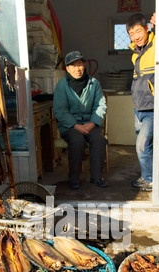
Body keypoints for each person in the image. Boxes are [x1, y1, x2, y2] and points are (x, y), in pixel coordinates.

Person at [53, 51, 108, 189]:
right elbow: (60, 110)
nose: (77, 69)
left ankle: (97, 177)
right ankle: (74, 178)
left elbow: (100, 105)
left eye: (79, 64)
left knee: (99, 140)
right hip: (70, 126)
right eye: (73, 66)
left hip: (90, 123)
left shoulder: (94, 83)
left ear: (84, 65)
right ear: (67, 68)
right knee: (77, 140)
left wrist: (92, 124)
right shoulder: (62, 86)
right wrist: (76, 126)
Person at [127, 13, 156, 192]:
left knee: (142, 146)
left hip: (152, 109)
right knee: (146, 146)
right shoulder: (136, 54)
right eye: (131, 33)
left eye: (138, 31)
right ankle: (149, 176)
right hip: (139, 108)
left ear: (147, 29)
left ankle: (150, 179)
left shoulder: (156, 46)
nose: (135, 36)